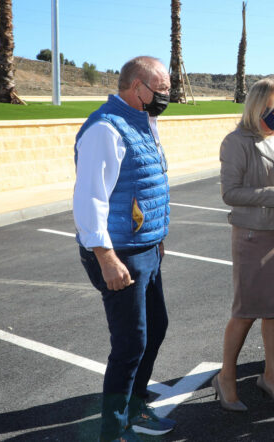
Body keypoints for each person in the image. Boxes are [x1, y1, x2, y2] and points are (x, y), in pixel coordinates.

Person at [74, 56, 176, 441]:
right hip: (118, 254)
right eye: (161, 89)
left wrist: (157, 236)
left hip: (145, 247)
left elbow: (144, 188)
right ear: (138, 88)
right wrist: (106, 258)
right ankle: (113, 430)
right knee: (130, 343)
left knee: (156, 328)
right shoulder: (105, 129)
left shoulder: (143, 123)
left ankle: (135, 408)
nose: (166, 95)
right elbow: (90, 200)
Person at [211, 77, 274, 412]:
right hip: (253, 238)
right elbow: (230, 193)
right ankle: (226, 377)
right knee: (247, 311)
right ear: (258, 105)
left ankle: (272, 377)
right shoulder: (236, 142)